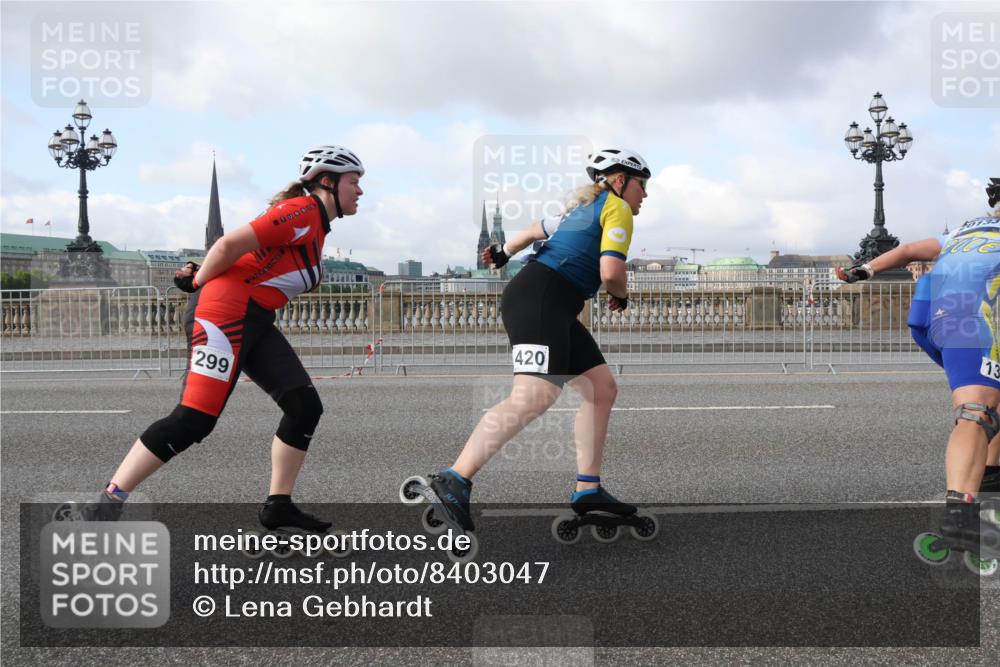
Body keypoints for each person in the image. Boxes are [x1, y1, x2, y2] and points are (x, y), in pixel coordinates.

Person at [79, 145, 365, 536]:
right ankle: (107, 502)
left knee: (304, 407)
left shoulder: (315, 227)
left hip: (254, 317)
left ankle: (278, 508)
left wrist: (203, 273)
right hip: (223, 314)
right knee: (194, 419)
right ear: (327, 182)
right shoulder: (300, 211)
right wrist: (197, 280)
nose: (359, 191)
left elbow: (251, 262)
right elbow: (228, 245)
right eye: (354, 182)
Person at [421, 148, 651, 533]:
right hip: (543, 298)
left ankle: (588, 489)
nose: (645, 194)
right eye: (641, 185)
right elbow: (611, 272)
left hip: (550, 300)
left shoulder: (581, 209)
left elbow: (532, 231)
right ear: (619, 180)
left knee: (601, 388)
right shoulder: (617, 208)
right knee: (534, 395)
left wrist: (502, 253)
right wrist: (621, 295)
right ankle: (454, 478)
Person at [836, 177, 1000, 560]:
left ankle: (989, 477)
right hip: (974, 321)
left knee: (990, 403)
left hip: (936, 317)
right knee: (977, 411)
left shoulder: (964, 230)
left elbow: (909, 250)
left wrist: (863, 271)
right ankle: (960, 518)